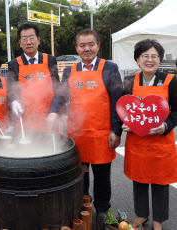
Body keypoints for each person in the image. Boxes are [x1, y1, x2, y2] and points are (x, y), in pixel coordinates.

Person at [61, 29, 123, 228]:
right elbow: (61, 97)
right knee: (81, 175)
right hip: (78, 134)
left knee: (103, 176)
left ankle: (103, 210)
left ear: (98, 45)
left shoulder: (110, 68)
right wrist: (54, 114)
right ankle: (82, 207)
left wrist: (116, 130)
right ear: (76, 47)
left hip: (102, 134)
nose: (87, 48)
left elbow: (117, 101)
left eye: (91, 44)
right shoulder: (69, 71)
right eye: (82, 45)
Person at [122, 39, 177, 230]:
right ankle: (142, 215)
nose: (149, 60)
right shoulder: (130, 81)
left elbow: (176, 110)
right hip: (138, 141)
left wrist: (166, 125)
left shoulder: (171, 80)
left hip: (161, 141)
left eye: (154, 56)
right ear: (137, 59)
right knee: (139, 179)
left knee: (161, 182)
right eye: (145, 56)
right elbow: (126, 108)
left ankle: (158, 220)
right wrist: (127, 123)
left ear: (160, 59)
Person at [7, 23, 62, 132]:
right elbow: (10, 91)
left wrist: (55, 111)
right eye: (24, 39)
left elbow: (58, 90)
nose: (28, 42)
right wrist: (14, 102)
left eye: (31, 38)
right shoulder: (14, 64)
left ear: (38, 40)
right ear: (20, 43)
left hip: (48, 118)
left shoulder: (50, 60)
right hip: (25, 120)